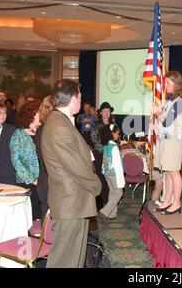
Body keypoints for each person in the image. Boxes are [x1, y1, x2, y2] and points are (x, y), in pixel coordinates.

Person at [41, 79, 101, 268]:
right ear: (72, 99)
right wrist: (97, 186)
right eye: (79, 96)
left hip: (74, 202)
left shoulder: (62, 122)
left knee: (73, 260)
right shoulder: (59, 126)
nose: (81, 100)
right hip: (70, 203)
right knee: (64, 262)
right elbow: (77, 168)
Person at [151, 71, 182, 215]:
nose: (165, 85)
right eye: (165, 83)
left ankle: (176, 203)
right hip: (165, 140)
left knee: (174, 172)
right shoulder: (170, 101)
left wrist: (157, 113)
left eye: (168, 83)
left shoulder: (178, 102)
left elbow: (167, 121)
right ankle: (167, 201)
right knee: (167, 173)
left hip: (173, 142)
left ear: (176, 84)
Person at [9, 100, 42, 219]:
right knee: (32, 218)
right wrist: (32, 179)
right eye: (40, 112)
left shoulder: (43, 132)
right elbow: (16, 161)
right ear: (32, 115)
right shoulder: (18, 135)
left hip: (44, 181)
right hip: (27, 183)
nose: (43, 115)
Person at [91, 101, 116, 208]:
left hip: (111, 156)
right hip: (100, 155)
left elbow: (116, 140)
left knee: (111, 178)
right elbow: (95, 141)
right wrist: (106, 150)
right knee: (102, 178)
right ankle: (104, 201)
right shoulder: (96, 125)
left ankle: (111, 202)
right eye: (104, 111)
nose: (106, 113)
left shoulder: (114, 125)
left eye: (108, 111)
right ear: (100, 113)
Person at [98, 124, 124, 219]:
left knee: (112, 192)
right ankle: (105, 212)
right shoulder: (114, 147)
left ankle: (112, 213)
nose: (118, 136)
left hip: (107, 173)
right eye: (117, 133)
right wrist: (121, 179)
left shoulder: (106, 146)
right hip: (114, 174)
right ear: (111, 134)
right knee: (118, 193)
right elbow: (118, 165)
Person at [34, 96, 54, 222]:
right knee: (50, 225)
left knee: (46, 220)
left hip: (44, 179)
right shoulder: (49, 130)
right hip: (49, 181)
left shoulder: (41, 130)